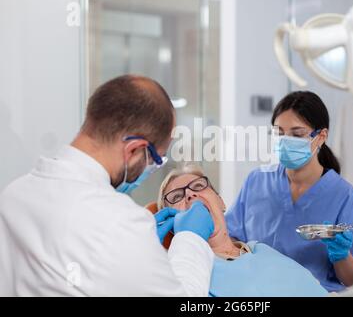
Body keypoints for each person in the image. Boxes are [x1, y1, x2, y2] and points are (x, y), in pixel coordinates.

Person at [0, 75, 214, 296]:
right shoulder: (119, 221)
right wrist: (191, 239)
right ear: (134, 151)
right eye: (155, 161)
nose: (150, 170)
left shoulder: (13, 195)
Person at [225, 91, 353, 292]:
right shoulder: (256, 181)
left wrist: (342, 255)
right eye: (279, 133)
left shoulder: (344, 197)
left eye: (297, 134)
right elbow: (229, 238)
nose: (286, 141)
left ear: (321, 137)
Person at [157, 164, 328, 297]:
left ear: (221, 201)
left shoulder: (260, 250)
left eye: (198, 185)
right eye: (176, 197)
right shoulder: (184, 274)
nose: (190, 195)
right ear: (173, 226)